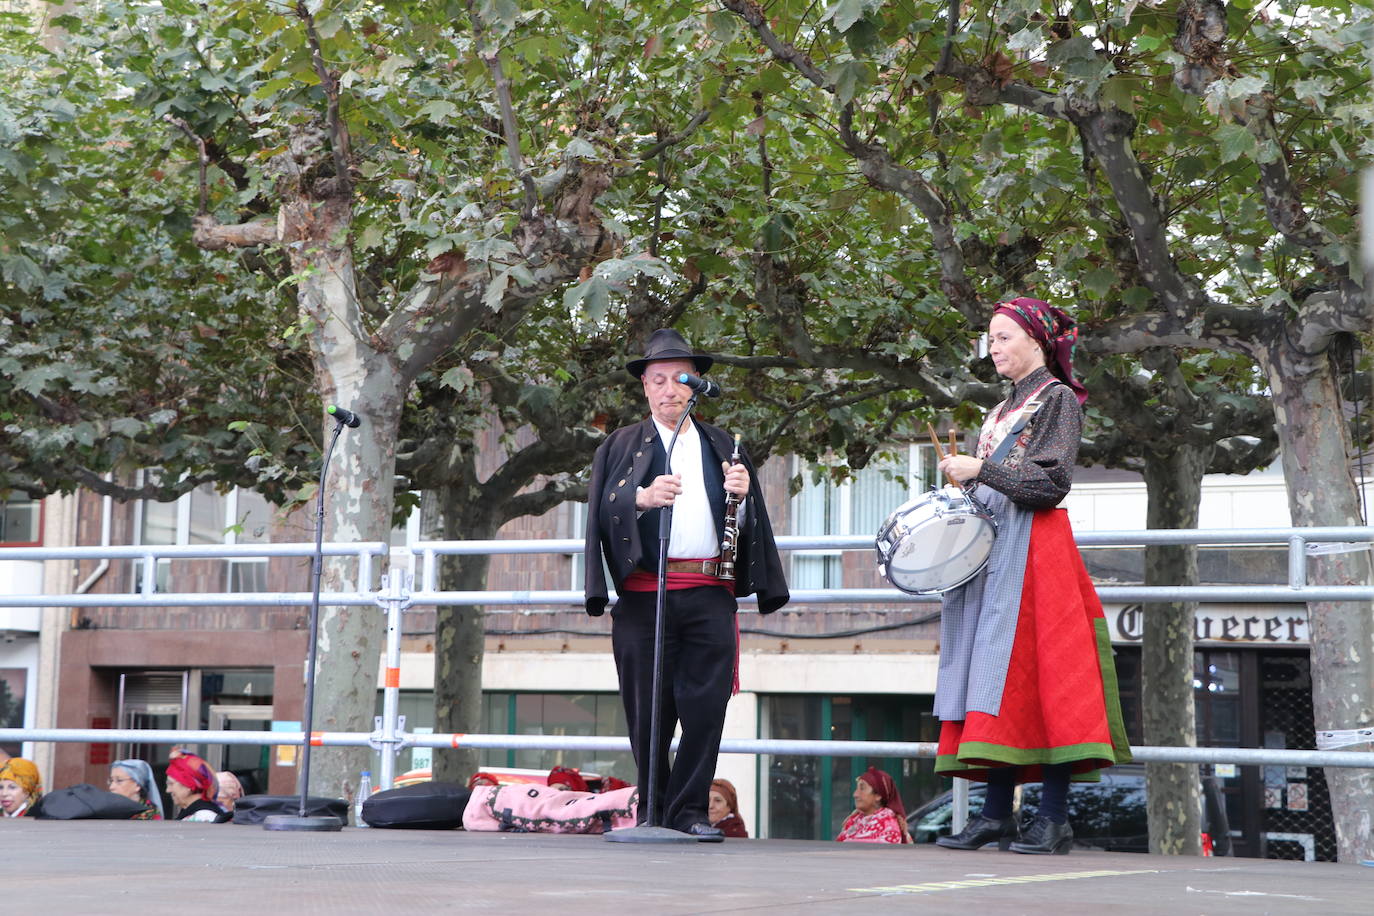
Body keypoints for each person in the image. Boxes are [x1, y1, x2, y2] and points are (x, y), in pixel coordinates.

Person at [932, 297, 1131, 856]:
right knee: (998, 678)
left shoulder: (1058, 399)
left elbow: (1050, 485)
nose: (992, 348)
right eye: (990, 339)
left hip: (1035, 553)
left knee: (1044, 678)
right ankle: (995, 815)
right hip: (997, 554)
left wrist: (981, 469)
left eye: (1002, 338)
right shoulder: (1002, 409)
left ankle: (1053, 817)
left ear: (1036, 343)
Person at [585, 328, 789, 840]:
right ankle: (652, 808)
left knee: (704, 710)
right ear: (645, 389)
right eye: (658, 381)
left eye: (680, 380)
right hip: (643, 596)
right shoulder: (621, 445)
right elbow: (600, 516)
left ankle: (691, 811)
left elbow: (745, 530)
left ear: (696, 385)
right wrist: (641, 498)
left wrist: (742, 499)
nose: (669, 390)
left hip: (706, 594)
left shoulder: (723, 443)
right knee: (647, 713)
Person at [835, 767, 911, 844]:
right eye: (856, 789)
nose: (855, 794)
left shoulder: (888, 826)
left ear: (878, 795)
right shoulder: (856, 820)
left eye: (862, 788)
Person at [165, 753, 227, 822]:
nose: (168, 790)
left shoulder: (204, 816)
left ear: (189, 786)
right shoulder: (190, 812)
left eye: (170, 784)